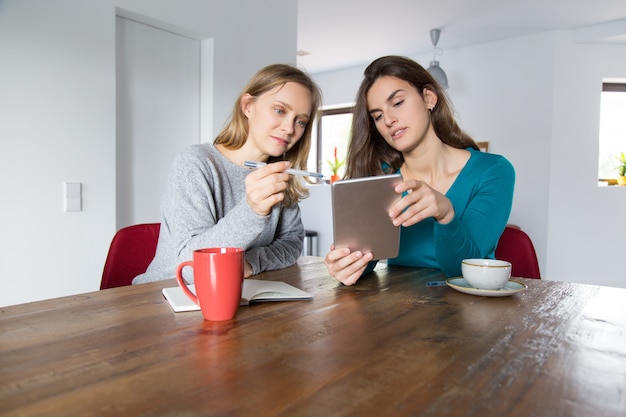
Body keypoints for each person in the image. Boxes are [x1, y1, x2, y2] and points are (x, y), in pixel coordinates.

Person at [325, 56, 515, 285]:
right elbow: (369, 258)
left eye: (397, 103)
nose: (389, 120)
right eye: (377, 116)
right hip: (399, 307)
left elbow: (463, 271)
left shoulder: (493, 171)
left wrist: (446, 214)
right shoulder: (380, 177)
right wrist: (349, 265)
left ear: (429, 98)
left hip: (468, 309)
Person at [133, 64, 322, 284]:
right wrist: (253, 211)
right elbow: (191, 266)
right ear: (248, 106)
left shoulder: (279, 174)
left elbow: (292, 243)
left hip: (237, 292)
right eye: (280, 110)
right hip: (168, 294)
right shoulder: (196, 163)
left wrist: (250, 263)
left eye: (300, 121)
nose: (290, 128)